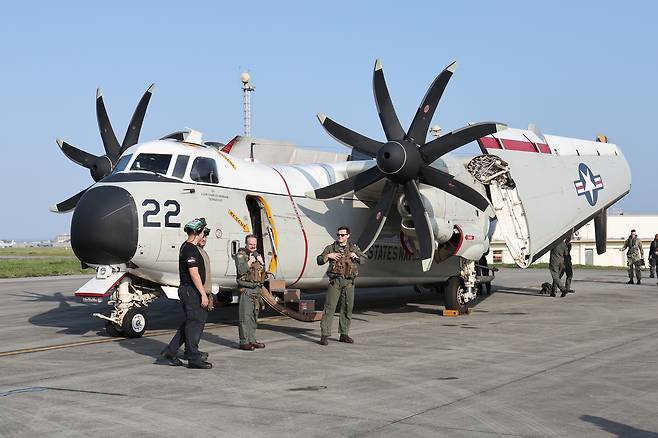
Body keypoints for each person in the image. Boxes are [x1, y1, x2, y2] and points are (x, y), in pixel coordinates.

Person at [159, 218, 213, 369]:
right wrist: (203, 294)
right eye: (203, 232)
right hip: (191, 291)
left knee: (189, 323)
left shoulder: (187, 247)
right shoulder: (190, 249)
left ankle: (170, 352)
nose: (204, 235)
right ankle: (193, 357)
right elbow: (194, 273)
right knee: (195, 323)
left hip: (189, 290)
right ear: (197, 232)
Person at [317, 226, 367, 346]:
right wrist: (328, 256)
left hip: (349, 283)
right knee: (329, 308)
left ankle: (344, 334)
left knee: (347, 308)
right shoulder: (330, 248)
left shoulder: (353, 248)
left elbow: (364, 259)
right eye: (338, 235)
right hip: (336, 282)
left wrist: (356, 256)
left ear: (348, 236)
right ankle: (324, 335)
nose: (340, 237)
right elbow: (319, 260)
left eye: (343, 235)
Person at [235, 234, 266, 351]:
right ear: (246, 244)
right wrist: (249, 263)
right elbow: (240, 271)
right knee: (245, 317)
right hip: (246, 289)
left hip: (256, 289)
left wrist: (262, 263)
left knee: (254, 316)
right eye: (250, 244)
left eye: (254, 244)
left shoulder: (257, 255)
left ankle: (252, 339)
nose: (253, 246)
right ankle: (244, 341)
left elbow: (262, 274)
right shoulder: (240, 256)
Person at [197, 227, 215, 312]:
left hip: (205, 293)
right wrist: (203, 294)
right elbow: (195, 275)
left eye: (205, 237)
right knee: (195, 321)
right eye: (202, 236)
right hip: (199, 294)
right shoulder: (195, 252)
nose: (204, 239)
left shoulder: (203, 252)